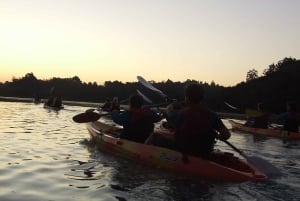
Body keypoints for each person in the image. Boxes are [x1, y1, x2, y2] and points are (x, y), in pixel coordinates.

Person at [169, 83, 231, 160]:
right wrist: (219, 136)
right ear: (202, 97)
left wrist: (171, 107)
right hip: (204, 153)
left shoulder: (180, 114)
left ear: (186, 97)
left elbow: (170, 119)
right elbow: (226, 135)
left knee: (155, 137)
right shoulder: (212, 115)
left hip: (184, 153)